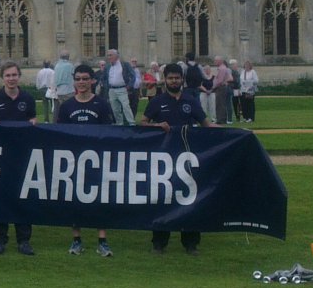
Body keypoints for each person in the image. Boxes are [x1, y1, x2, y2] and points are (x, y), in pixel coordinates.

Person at [141, 61, 209, 255]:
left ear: (182, 80)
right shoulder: (157, 101)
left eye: (177, 78)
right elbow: (142, 123)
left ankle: (190, 243)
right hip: (163, 158)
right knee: (163, 199)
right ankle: (159, 242)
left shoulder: (190, 101)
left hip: (187, 158)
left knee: (190, 199)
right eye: (170, 78)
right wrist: (157, 126)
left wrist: (237, 133)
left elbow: (206, 125)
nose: (173, 81)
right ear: (165, 80)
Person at [56, 64, 115, 257]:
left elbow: (110, 132)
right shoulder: (67, 107)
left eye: (85, 79)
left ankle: (102, 240)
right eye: (78, 79)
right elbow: (59, 134)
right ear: (74, 81)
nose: (81, 82)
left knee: (100, 199)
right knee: (75, 200)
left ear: (92, 81)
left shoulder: (102, 104)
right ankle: (76, 239)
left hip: (97, 160)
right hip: (74, 161)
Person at [0, 60, 37, 256]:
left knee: (22, 198)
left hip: (22, 156)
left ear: (19, 76)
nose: (11, 79)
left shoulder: (28, 98)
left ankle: (24, 240)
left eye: (14, 75)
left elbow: (32, 120)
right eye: (8, 75)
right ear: (2, 78)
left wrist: (32, 123)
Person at [96, 47, 138, 126]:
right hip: (112, 90)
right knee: (115, 109)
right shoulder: (108, 66)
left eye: (110, 55)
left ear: (116, 56)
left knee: (126, 107)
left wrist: (129, 86)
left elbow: (133, 76)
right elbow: (103, 78)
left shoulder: (125, 65)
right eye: (108, 55)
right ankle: (119, 123)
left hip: (122, 89)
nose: (109, 57)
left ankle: (132, 123)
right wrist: (106, 85)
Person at [211, 55, 234, 125]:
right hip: (222, 87)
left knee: (220, 104)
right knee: (221, 104)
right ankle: (222, 119)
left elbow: (219, 80)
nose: (214, 62)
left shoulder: (221, 69)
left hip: (220, 88)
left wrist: (213, 87)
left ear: (220, 61)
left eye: (216, 60)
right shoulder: (223, 68)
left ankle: (220, 119)